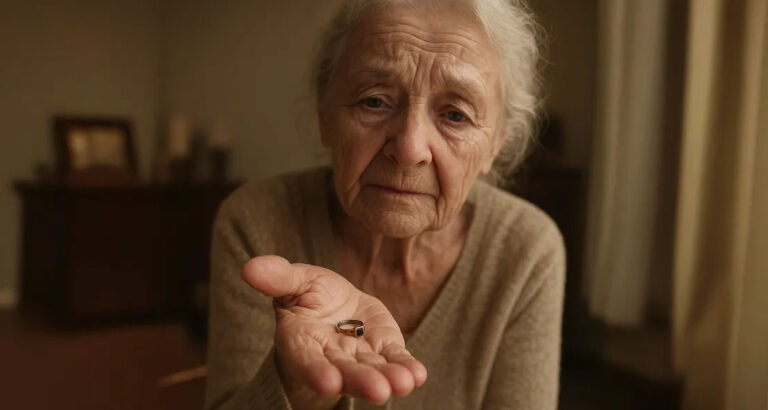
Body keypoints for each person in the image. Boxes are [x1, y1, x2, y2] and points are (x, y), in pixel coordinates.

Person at [205, 0, 565, 409]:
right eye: (374, 101)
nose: (410, 149)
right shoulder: (256, 222)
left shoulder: (525, 250)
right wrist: (297, 385)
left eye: (455, 114)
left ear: (495, 145)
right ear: (325, 114)